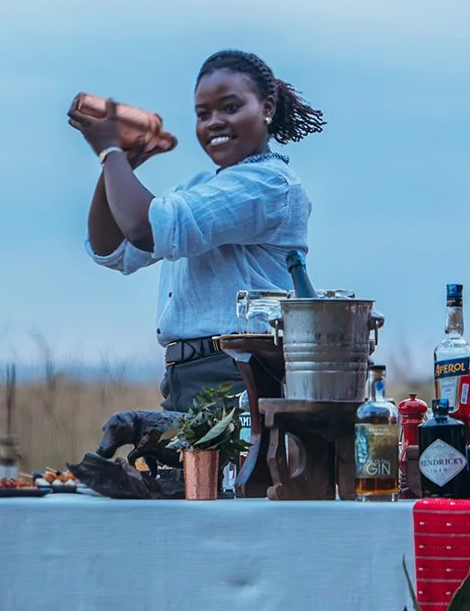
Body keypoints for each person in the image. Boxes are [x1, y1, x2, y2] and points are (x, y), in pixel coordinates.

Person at [69, 50, 322, 413]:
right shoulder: (201, 187)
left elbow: (145, 228)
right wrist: (122, 161)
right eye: (203, 114)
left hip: (237, 378)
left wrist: (110, 150)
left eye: (230, 108)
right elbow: (115, 247)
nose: (214, 122)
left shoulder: (269, 185)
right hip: (184, 378)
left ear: (266, 108)